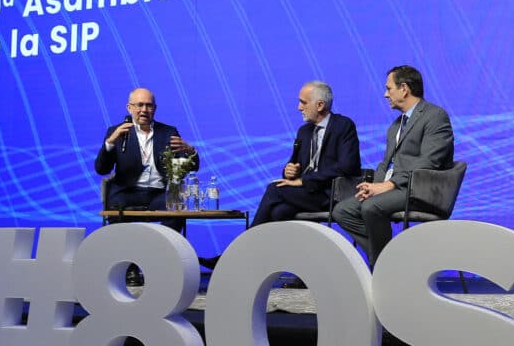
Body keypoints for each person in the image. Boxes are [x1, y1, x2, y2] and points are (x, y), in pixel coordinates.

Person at [198, 81, 361, 282]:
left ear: (319, 105)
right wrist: (289, 171)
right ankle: (277, 270)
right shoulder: (304, 131)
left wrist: (303, 181)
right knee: (278, 212)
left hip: (331, 194)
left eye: (303, 102)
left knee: (274, 190)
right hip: (307, 193)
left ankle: (234, 254)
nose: (298, 108)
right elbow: (294, 165)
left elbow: (348, 166)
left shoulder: (343, 126)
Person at [332, 65, 454, 268]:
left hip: (421, 190)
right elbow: (386, 163)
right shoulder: (396, 125)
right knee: (342, 210)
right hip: (395, 188)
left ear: (404, 88)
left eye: (389, 89)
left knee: (372, 207)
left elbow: (429, 161)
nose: (385, 94)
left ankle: (381, 265)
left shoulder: (435, 116)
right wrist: (372, 186)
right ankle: (388, 260)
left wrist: (388, 186)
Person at [95, 87, 198, 285]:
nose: (144, 109)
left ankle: (162, 266)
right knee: (116, 210)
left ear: (155, 108)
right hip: (127, 192)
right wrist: (109, 143)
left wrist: (190, 151)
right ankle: (129, 267)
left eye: (148, 105)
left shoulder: (168, 132)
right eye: (139, 105)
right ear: (129, 107)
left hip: (158, 193)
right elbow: (101, 169)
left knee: (175, 209)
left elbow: (190, 167)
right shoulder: (117, 132)